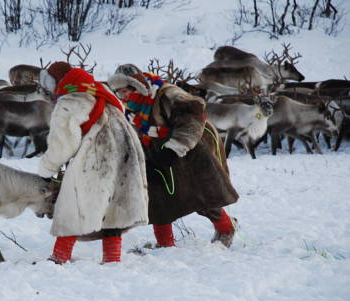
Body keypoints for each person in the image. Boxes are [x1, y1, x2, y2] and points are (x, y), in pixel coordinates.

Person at [107, 64, 239, 248]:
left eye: (124, 91)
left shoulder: (168, 95)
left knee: (201, 194)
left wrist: (172, 150)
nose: (122, 97)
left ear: (135, 86)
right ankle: (165, 244)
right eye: (118, 92)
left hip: (186, 148)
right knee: (157, 196)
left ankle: (226, 228)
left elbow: (193, 118)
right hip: (154, 150)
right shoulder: (133, 104)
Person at [38, 61, 149, 264]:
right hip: (125, 158)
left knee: (73, 205)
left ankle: (60, 257)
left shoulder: (71, 101)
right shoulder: (103, 92)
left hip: (94, 159)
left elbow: (62, 143)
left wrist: (48, 168)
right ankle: (112, 259)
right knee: (114, 208)